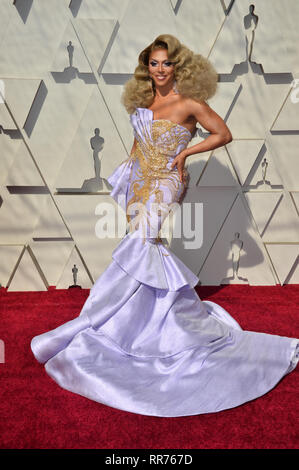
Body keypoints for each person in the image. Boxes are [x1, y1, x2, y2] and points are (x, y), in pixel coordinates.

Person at [31, 34, 299, 417]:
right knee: (144, 248)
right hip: (140, 180)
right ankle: (146, 324)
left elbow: (224, 133)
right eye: (153, 63)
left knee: (140, 244)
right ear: (148, 67)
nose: (159, 70)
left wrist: (186, 153)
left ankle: (93, 320)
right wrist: (128, 176)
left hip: (167, 181)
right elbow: (139, 146)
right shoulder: (144, 103)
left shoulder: (189, 103)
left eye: (166, 63)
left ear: (179, 67)